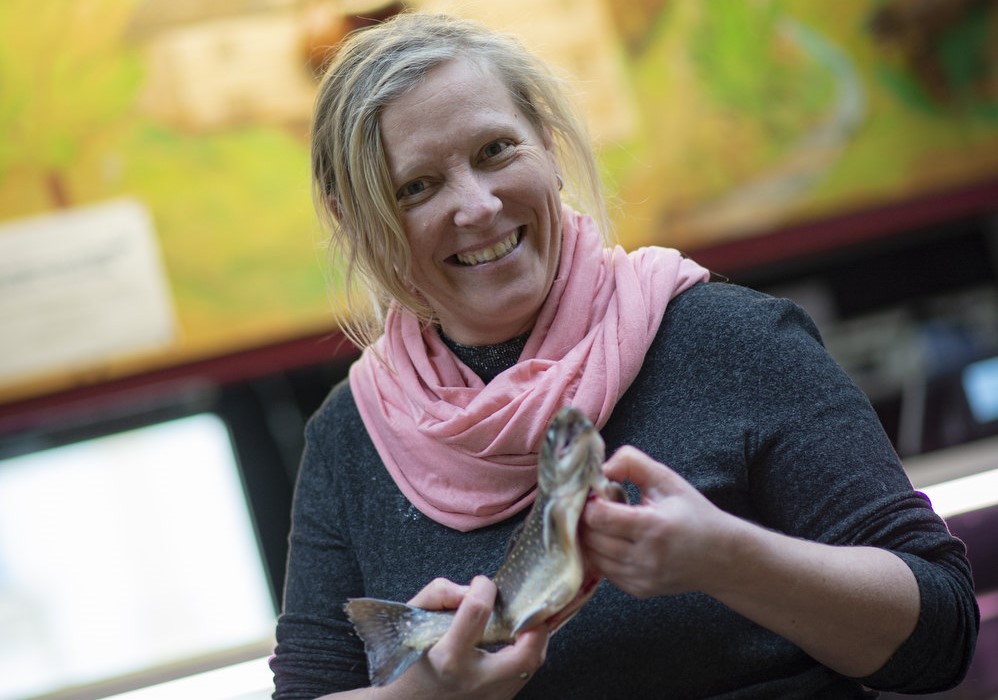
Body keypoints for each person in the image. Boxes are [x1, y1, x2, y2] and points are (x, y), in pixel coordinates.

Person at [270, 11, 978, 699]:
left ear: (547, 145)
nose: (478, 206)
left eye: (495, 151)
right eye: (416, 187)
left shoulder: (732, 338)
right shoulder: (350, 438)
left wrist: (733, 560)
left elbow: (939, 634)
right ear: (354, 219)